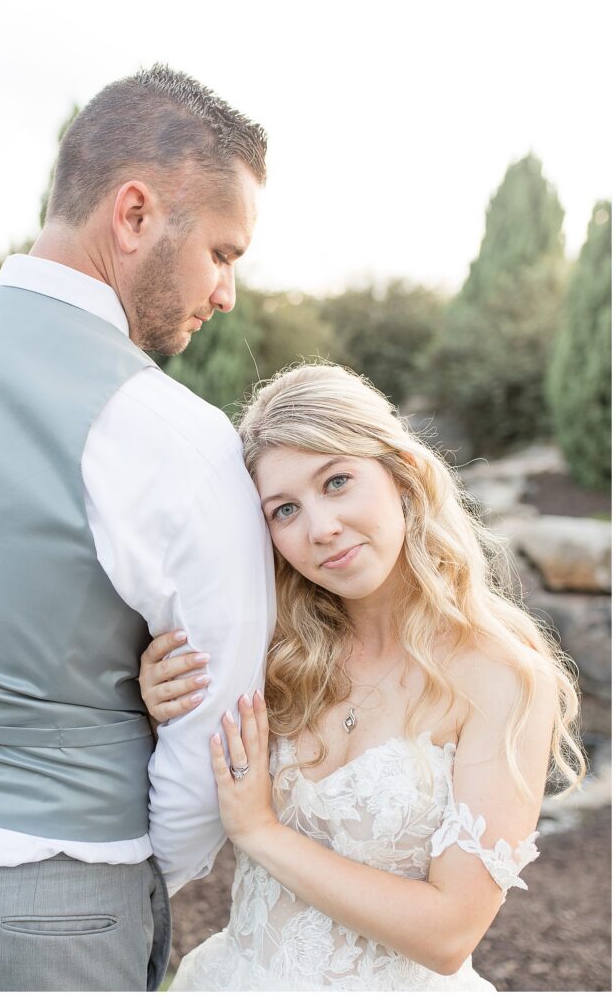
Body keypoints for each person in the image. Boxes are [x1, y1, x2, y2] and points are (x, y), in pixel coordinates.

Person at [0, 64, 276, 992]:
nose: (227, 293)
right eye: (223, 252)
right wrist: (143, 869)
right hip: (51, 908)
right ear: (134, 215)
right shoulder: (169, 433)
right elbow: (222, 723)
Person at [141, 362, 585, 992]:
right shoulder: (272, 651)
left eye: (338, 481)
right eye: (285, 509)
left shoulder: (502, 678)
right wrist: (158, 699)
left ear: (402, 474)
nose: (320, 529)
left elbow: (449, 934)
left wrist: (262, 832)